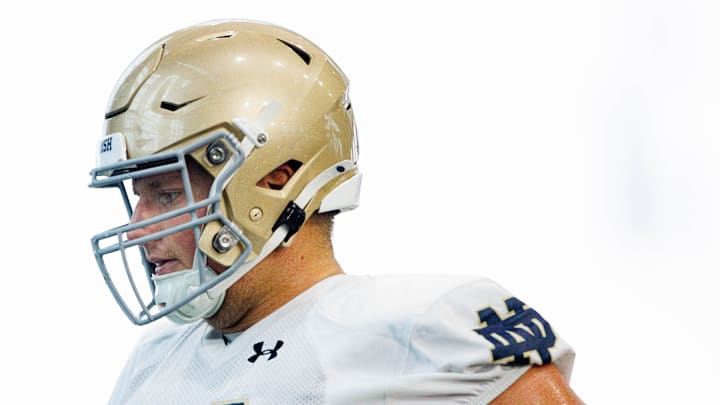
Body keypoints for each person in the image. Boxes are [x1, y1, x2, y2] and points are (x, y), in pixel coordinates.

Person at [89, 19, 584, 404]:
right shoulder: (152, 365)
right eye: (136, 195)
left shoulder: (420, 327)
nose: (135, 228)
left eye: (167, 194)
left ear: (272, 178)